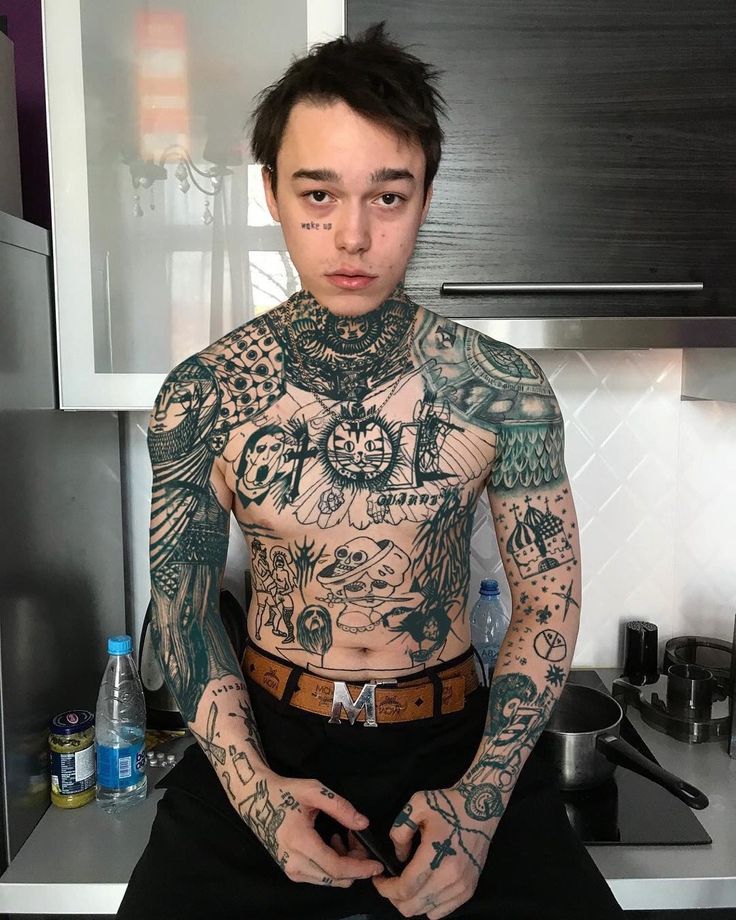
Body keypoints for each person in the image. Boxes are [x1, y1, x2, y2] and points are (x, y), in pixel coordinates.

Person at [118, 23, 623, 920]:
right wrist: (259, 797)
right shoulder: (203, 396)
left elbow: (547, 600)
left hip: (459, 745)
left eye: (388, 198)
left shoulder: (502, 388)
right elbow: (186, 615)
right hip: (263, 740)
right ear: (270, 189)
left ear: (425, 197)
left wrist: (482, 802)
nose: (352, 235)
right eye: (319, 194)